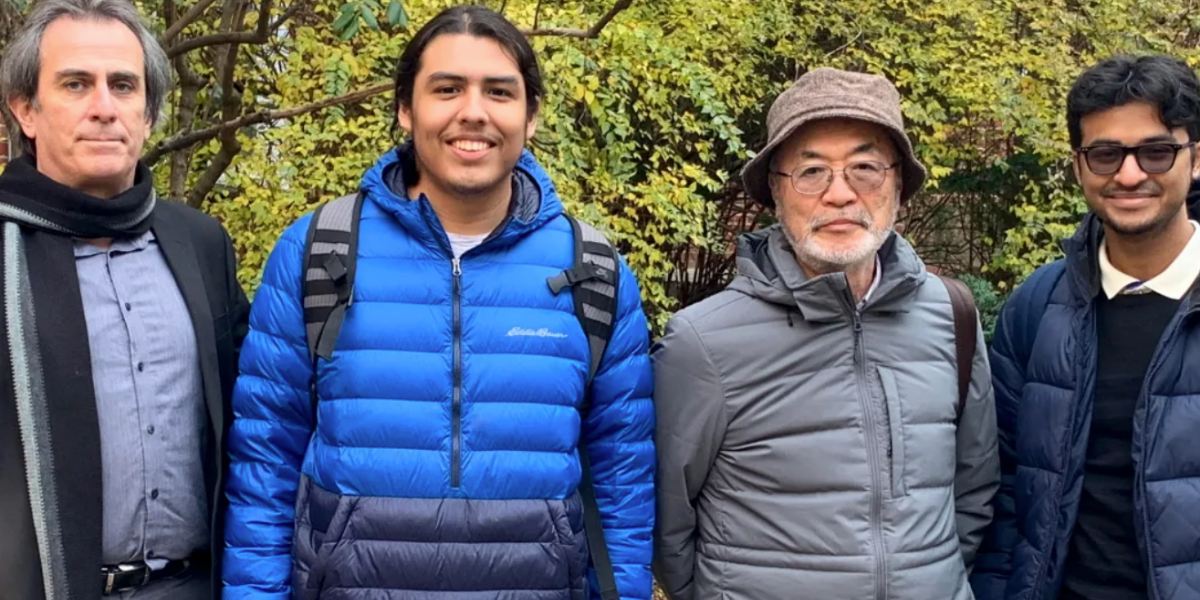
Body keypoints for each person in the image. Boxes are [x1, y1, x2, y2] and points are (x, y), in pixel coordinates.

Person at [221, 6, 655, 600]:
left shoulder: (594, 270)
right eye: (446, 89)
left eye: (499, 92)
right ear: (406, 108)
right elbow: (264, 458)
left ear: (530, 116)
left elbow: (623, 476)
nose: (472, 112)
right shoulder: (319, 249)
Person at [652, 67, 1000, 600]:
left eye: (865, 168)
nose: (840, 195)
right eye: (811, 171)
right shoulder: (703, 342)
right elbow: (667, 523)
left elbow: (973, 491)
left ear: (899, 183)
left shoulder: (952, 314)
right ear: (775, 189)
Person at [0, 0, 249, 597]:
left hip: (197, 585)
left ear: (149, 112)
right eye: (76, 84)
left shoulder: (199, 242)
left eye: (123, 86)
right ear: (25, 110)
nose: (104, 108)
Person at [972, 55, 1200, 600]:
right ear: (1078, 167)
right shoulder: (1036, 307)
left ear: (1194, 161)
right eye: (1105, 154)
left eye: (1156, 151)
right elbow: (1005, 492)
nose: (1129, 174)